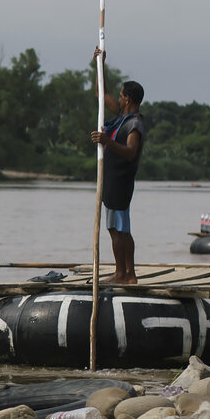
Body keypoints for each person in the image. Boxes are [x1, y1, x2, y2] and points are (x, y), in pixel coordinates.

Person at [88, 67, 146, 285]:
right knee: (117, 228)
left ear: (128, 99)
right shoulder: (123, 116)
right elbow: (101, 95)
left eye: (121, 95)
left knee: (119, 229)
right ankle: (126, 274)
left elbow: (131, 152)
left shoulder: (134, 124)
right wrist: (100, 63)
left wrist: (107, 142)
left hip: (121, 182)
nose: (119, 98)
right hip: (113, 181)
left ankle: (124, 274)